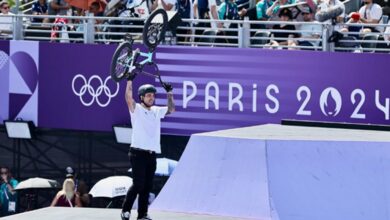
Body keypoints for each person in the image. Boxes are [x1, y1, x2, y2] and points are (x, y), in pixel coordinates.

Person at [121, 74, 175, 220]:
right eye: (148, 95)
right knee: (138, 184)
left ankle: (142, 214)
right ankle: (125, 210)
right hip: (137, 153)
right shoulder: (136, 109)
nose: (152, 98)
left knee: (147, 186)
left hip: (151, 155)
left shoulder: (157, 110)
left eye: (153, 95)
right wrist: (130, 80)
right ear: (142, 97)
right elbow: (128, 98)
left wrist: (169, 93)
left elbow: (171, 110)